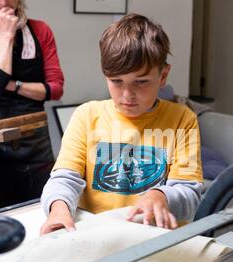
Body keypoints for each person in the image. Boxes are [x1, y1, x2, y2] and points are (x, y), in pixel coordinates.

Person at [40, 14, 203, 235]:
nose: (128, 95)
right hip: (96, 234)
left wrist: (161, 196)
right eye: (116, 81)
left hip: (154, 236)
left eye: (141, 81)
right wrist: (58, 208)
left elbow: (190, 193)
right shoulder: (86, 116)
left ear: (163, 75)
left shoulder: (182, 120)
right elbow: (64, 178)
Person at [0, 0, 64, 212]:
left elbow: (55, 89)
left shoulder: (41, 30)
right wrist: (6, 35)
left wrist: (10, 82)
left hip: (33, 133)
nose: (3, 1)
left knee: (41, 206)